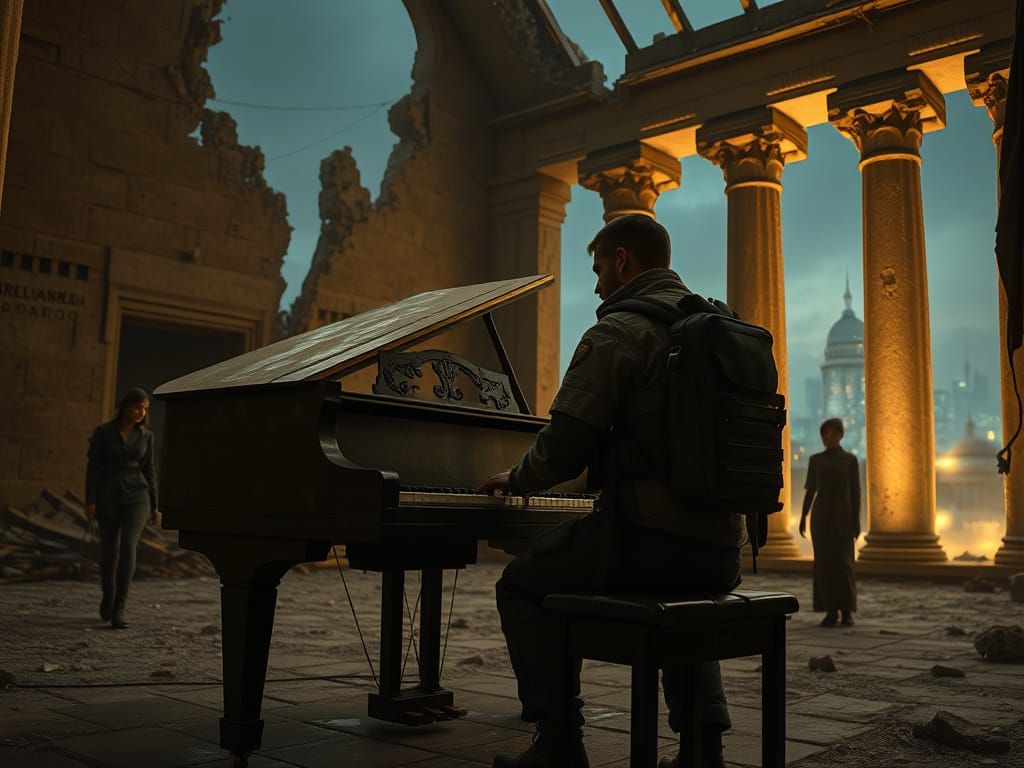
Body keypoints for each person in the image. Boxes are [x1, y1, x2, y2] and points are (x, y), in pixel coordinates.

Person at [477, 214, 745, 768]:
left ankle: (557, 743)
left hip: (650, 542)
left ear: (622, 259)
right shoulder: (717, 326)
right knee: (688, 595)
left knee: (522, 585)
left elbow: (567, 444)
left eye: (599, 268)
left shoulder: (620, 330)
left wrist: (518, 478)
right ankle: (704, 746)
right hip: (721, 550)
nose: (597, 284)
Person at [84, 388, 160, 629]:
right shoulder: (104, 433)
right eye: (138, 406)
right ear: (125, 406)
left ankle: (120, 607)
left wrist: (156, 506)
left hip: (138, 495)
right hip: (108, 494)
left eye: (146, 408)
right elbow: (93, 468)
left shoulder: (147, 436)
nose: (142, 412)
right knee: (109, 549)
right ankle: (108, 592)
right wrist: (90, 500)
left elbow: (149, 470)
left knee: (128, 545)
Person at [799, 417, 860, 627]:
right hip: (821, 516)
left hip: (843, 516)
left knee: (844, 564)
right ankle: (830, 611)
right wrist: (803, 516)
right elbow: (810, 491)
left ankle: (847, 611)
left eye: (833, 432)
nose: (829, 436)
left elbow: (855, 492)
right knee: (824, 565)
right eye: (825, 433)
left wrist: (856, 521)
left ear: (841, 434)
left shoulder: (850, 460)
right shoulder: (816, 460)